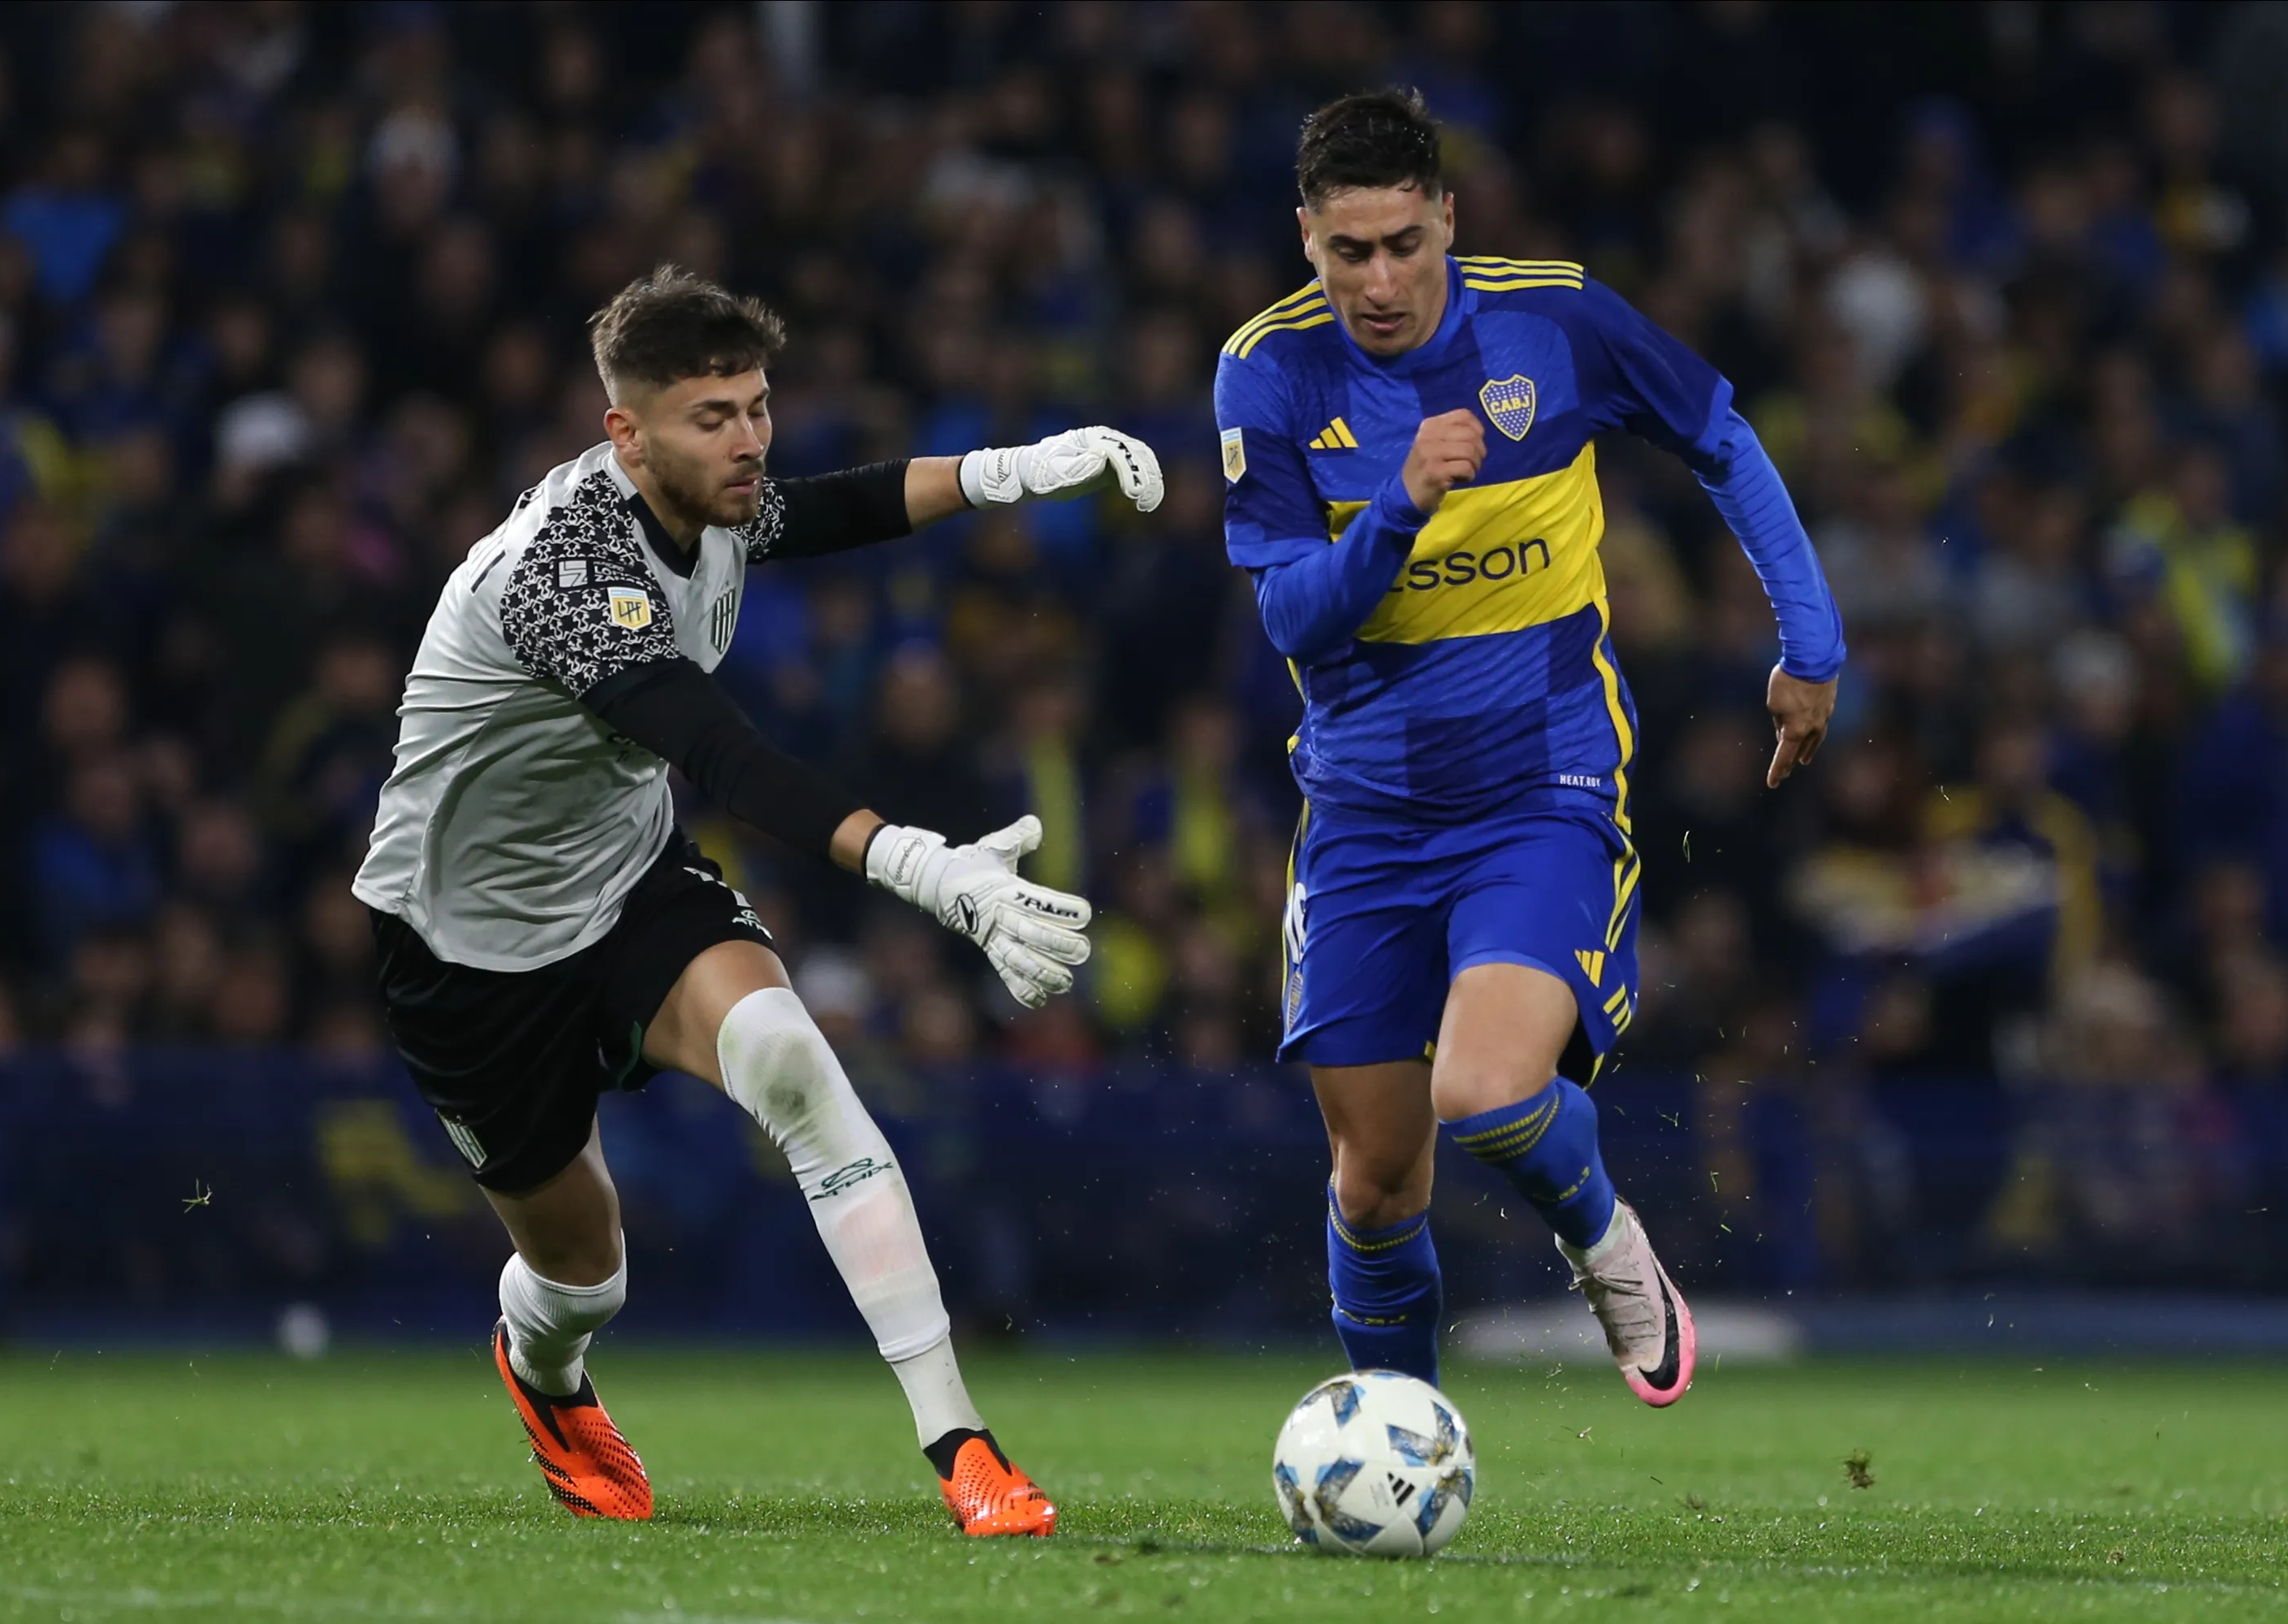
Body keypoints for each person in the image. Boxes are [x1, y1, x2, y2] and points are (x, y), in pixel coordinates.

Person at [354, 266, 1162, 1531]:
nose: (746, 440)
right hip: (469, 952)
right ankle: (541, 1370)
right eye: (710, 416)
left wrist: (1008, 470)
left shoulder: (715, 501)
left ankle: (964, 1448)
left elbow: (836, 509)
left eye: (756, 405)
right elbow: (722, 755)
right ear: (626, 434)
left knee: (794, 1059)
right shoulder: (564, 570)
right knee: (583, 1279)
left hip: (626, 887)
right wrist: (927, 870)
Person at [1213, 92, 1842, 1406]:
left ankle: (1611, 1247)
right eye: (1346, 253)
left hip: (1537, 786)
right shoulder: (1265, 372)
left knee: (1486, 1092)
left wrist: (1812, 644)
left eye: (1402, 243)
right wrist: (1396, 507)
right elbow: (1292, 612)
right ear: (1306, 241)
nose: (1377, 282)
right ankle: (1404, 1436)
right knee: (1373, 1182)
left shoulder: (1554, 320)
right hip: (1364, 813)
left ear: (1449, 215)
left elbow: (1720, 437)